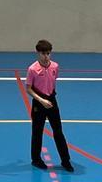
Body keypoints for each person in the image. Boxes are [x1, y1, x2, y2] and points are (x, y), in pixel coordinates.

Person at [26, 39, 74, 172]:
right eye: (43, 54)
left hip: (52, 100)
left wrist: (49, 98)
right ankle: (36, 159)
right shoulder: (32, 69)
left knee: (58, 131)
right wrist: (42, 100)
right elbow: (28, 89)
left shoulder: (55, 67)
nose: (46, 56)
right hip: (39, 102)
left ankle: (65, 160)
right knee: (37, 132)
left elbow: (52, 82)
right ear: (38, 53)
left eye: (48, 53)